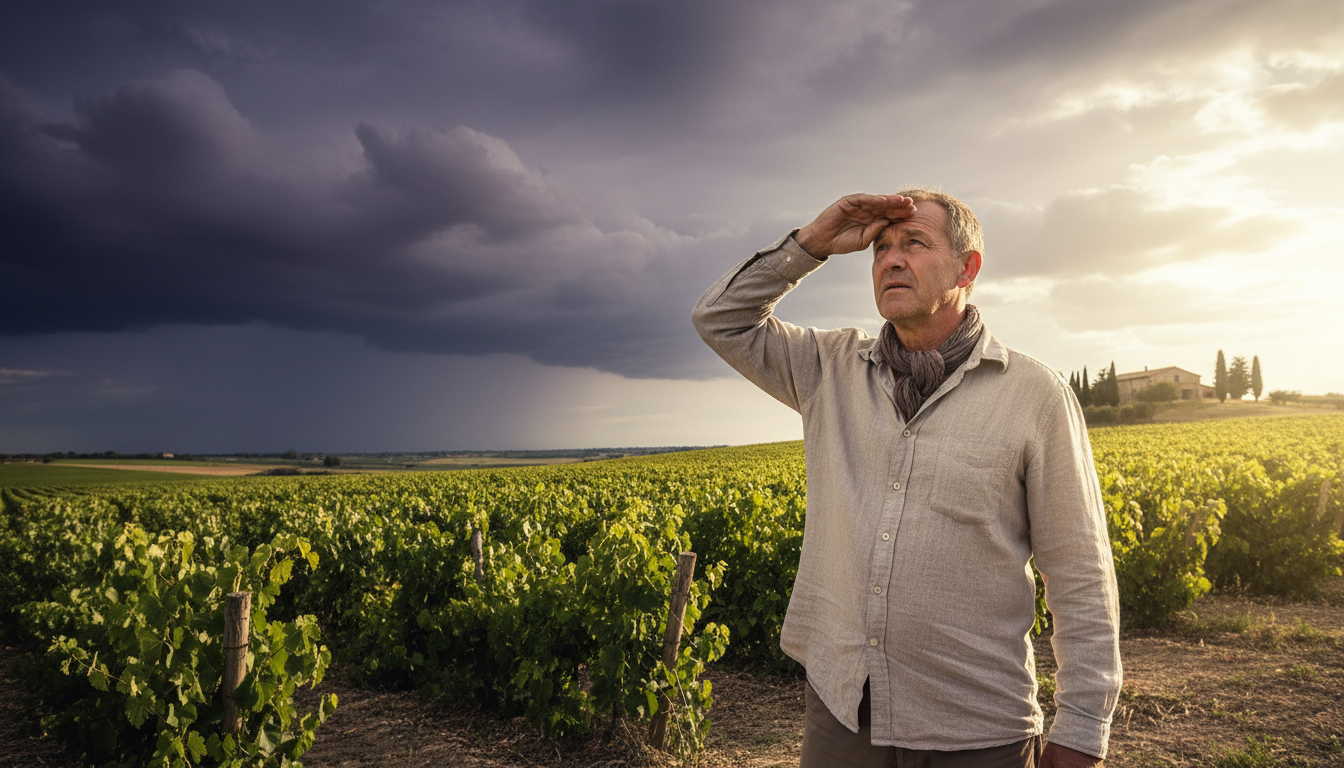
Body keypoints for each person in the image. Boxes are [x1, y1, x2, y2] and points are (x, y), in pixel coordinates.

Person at [691, 191, 1121, 767]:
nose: (891, 259)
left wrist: (1083, 726)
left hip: (977, 728)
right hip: (843, 715)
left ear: (967, 268)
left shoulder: (1034, 395)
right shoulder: (829, 368)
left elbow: (1080, 569)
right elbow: (719, 318)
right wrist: (813, 243)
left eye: (915, 243)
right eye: (881, 248)